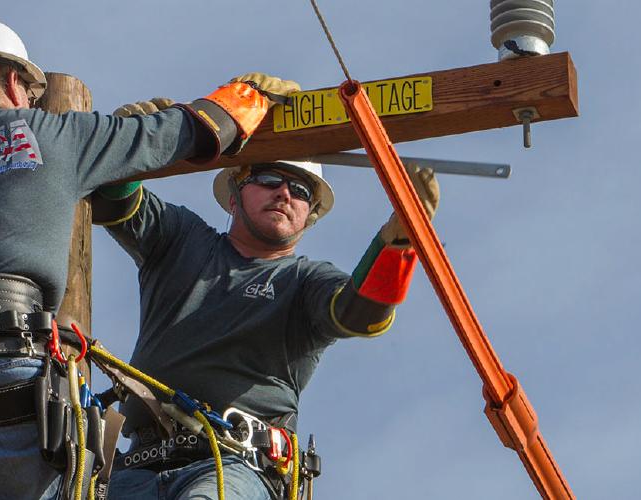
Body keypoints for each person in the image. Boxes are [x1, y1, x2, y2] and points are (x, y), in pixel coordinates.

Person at [0, 15, 301, 500]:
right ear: (16, 82)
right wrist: (246, 96)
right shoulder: (55, 134)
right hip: (7, 358)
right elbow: (189, 132)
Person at [90, 99, 441, 499]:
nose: (284, 194)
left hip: (238, 467)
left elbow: (359, 314)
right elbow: (113, 202)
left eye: (300, 189)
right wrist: (133, 142)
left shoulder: (304, 280)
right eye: (270, 179)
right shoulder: (182, 241)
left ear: (310, 215)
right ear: (236, 192)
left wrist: (394, 248)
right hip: (137, 468)